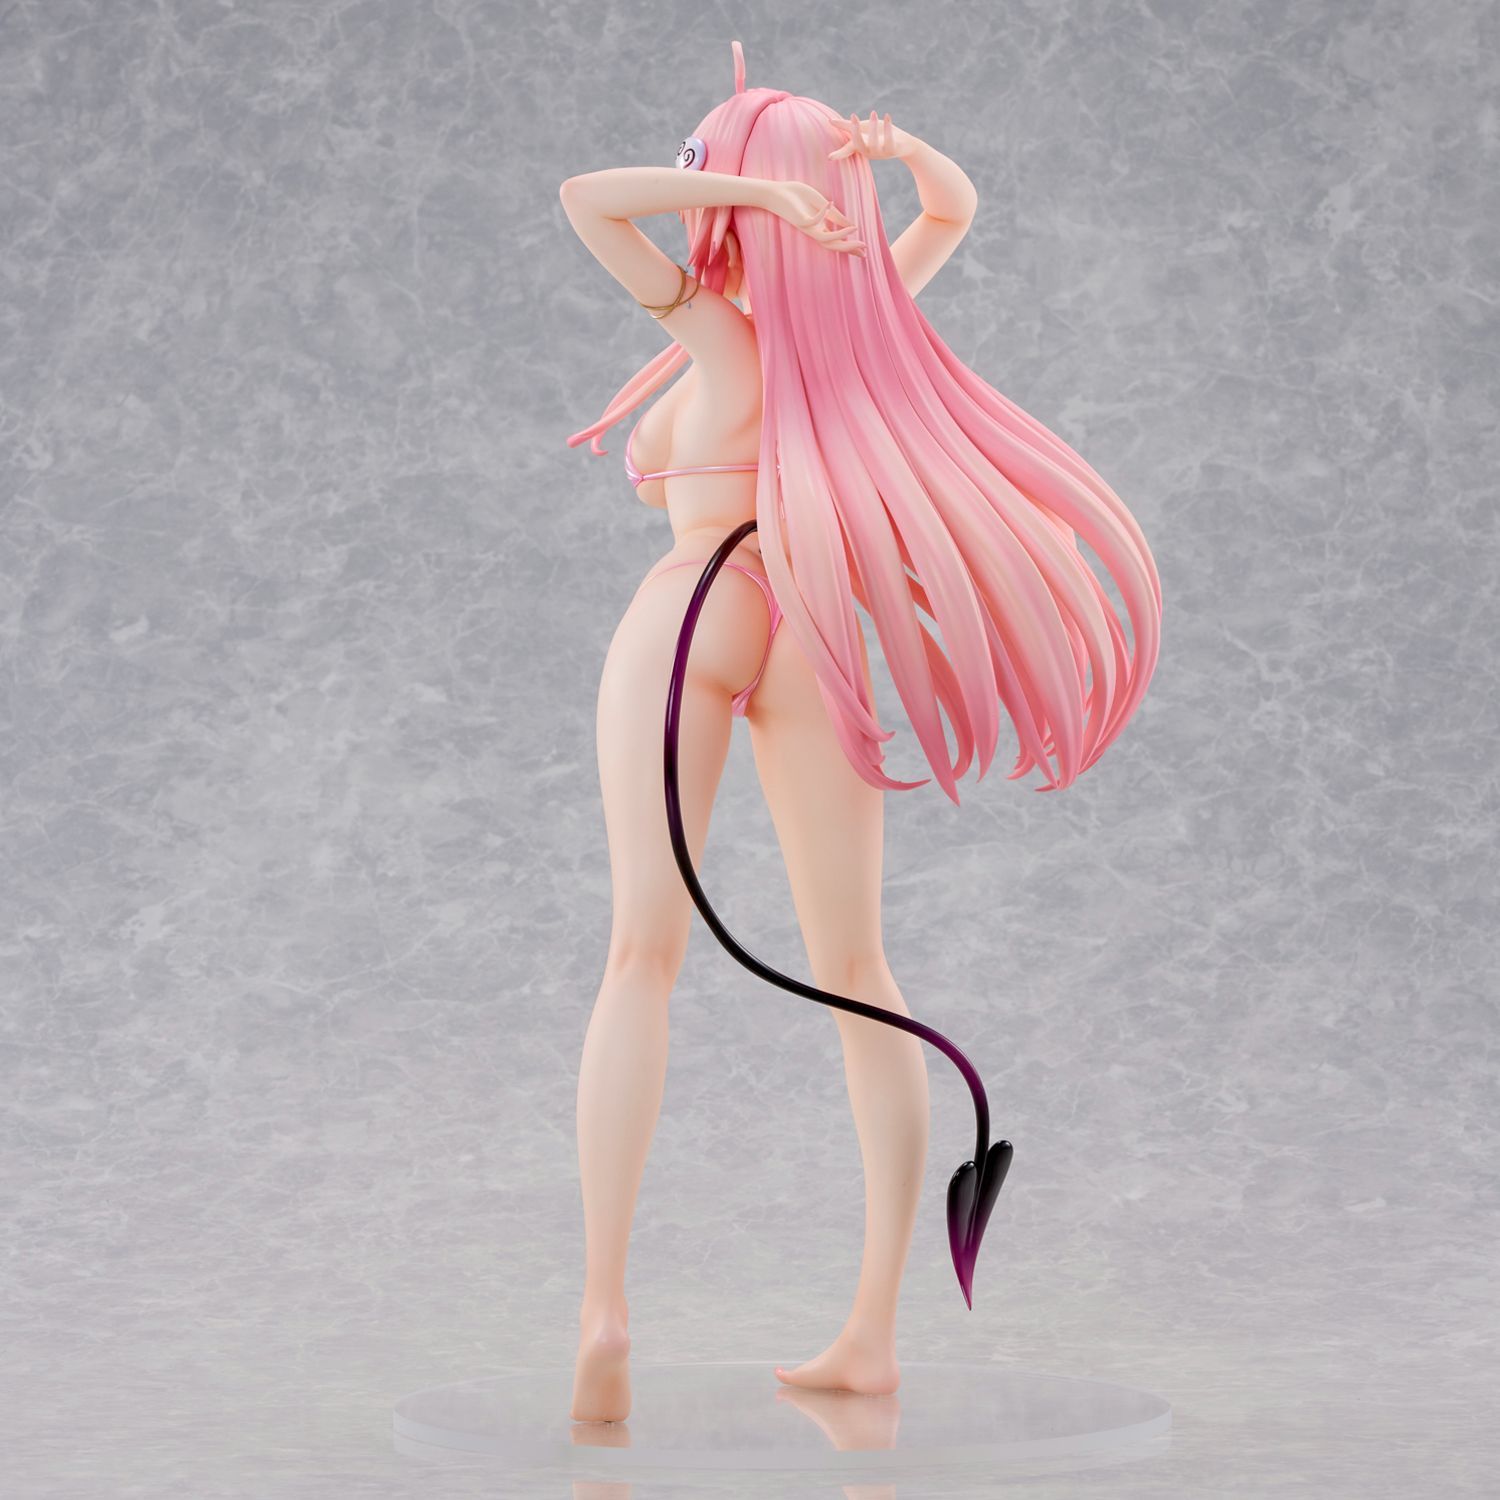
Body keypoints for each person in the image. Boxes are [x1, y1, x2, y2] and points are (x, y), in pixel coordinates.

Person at [558, 39, 1162, 1424]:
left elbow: (588, 199)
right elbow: (955, 210)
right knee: (858, 969)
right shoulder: (858, 336)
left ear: (738, 192)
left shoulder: (720, 331)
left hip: (696, 606)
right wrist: (891, 162)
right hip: (810, 629)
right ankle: (874, 1329)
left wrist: (748, 196)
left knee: (643, 954)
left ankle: (602, 1311)